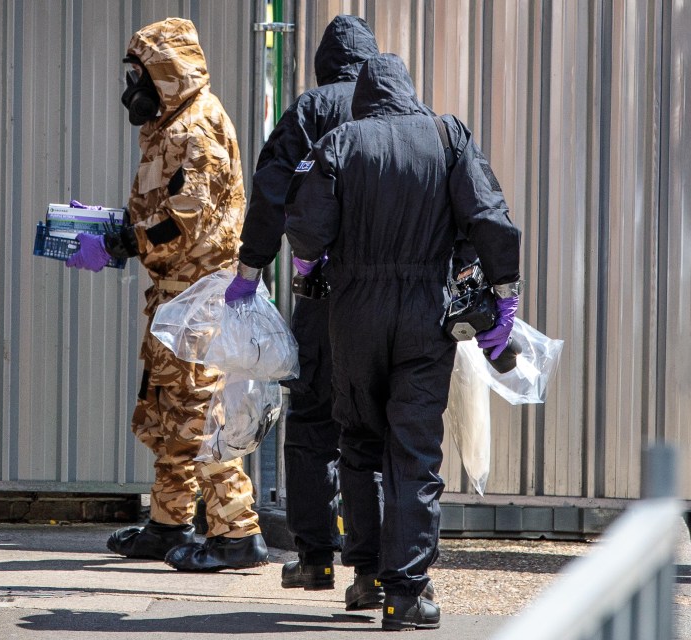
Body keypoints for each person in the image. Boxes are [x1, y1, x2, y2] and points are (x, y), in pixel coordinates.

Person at [284, 53, 521, 631]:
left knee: (360, 443)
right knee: (414, 450)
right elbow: (489, 216)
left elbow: (307, 229)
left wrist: (316, 265)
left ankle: (365, 576)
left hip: (353, 313)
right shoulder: (446, 135)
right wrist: (504, 293)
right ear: (408, 91)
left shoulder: (339, 143)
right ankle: (407, 593)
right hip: (424, 310)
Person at [65, 17, 269, 572]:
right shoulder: (171, 123)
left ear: (166, 74)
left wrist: (120, 245)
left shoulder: (192, 130)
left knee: (198, 413)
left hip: (199, 297)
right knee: (168, 410)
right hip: (177, 294)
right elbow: (164, 209)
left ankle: (236, 533)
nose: (132, 88)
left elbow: (186, 221)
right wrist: (116, 225)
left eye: (141, 75)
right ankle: (168, 523)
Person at [223, 15, 384, 607]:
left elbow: (270, 189)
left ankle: (314, 559)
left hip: (320, 296)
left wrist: (252, 267)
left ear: (322, 65)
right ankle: (373, 570)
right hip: (387, 300)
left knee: (314, 421)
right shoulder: (395, 108)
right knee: (374, 431)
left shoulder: (311, 110)